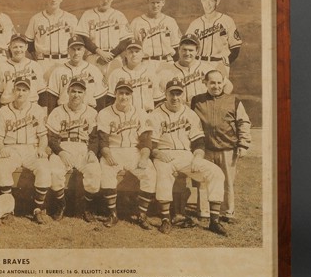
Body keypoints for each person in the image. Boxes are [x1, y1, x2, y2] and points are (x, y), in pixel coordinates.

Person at [150, 78, 228, 236]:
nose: (175, 97)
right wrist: (157, 153)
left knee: (216, 173)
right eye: (172, 93)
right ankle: (165, 219)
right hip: (164, 153)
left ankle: (214, 221)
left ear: (183, 94)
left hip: (186, 155)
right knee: (163, 173)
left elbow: (199, 141)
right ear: (165, 94)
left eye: (178, 93)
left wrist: (198, 157)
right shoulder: (155, 114)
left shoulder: (190, 114)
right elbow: (151, 144)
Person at [191, 70, 252, 223]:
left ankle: (228, 212)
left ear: (224, 82)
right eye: (212, 82)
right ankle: (204, 211)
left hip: (227, 147)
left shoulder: (233, 100)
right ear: (205, 83)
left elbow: (243, 122)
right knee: (204, 179)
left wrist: (243, 144)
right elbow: (189, 121)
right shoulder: (197, 101)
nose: (216, 86)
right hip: (205, 148)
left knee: (227, 181)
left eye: (219, 82)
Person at [96, 79, 157, 228]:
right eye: (121, 93)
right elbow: (102, 139)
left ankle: (142, 215)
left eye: (127, 93)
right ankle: (113, 214)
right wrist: (106, 153)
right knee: (106, 170)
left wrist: (144, 157)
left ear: (131, 95)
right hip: (113, 149)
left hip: (133, 151)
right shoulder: (104, 113)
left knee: (149, 172)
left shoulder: (140, 113)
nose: (124, 97)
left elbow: (146, 140)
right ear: (115, 94)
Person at [0, 77, 51, 224]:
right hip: (11, 148)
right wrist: (1, 149)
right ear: (13, 91)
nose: (20, 93)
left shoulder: (37, 110)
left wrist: (41, 148)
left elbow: (43, 136)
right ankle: (8, 210)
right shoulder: (3, 111)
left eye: (24, 90)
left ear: (29, 92)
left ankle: (38, 209)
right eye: (18, 89)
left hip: (32, 148)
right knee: (2, 166)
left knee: (44, 167)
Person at [46, 78, 101, 222]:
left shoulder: (92, 113)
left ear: (84, 94)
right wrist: (60, 152)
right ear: (68, 92)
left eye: (80, 92)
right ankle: (61, 204)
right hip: (63, 147)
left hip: (84, 147)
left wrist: (92, 152)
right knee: (53, 171)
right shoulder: (57, 111)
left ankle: (87, 207)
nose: (76, 95)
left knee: (94, 172)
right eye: (73, 91)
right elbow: (51, 138)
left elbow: (95, 138)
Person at [25, 0, 78, 80]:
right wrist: (37, 58)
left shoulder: (71, 18)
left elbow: (77, 41)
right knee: (44, 92)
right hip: (43, 61)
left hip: (65, 60)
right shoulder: (36, 19)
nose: (53, 0)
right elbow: (29, 42)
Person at [186, 0, 242, 77]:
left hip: (219, 64)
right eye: (205, 0)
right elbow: (186, 46)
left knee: (218, 90)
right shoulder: (195, 24)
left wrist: (226, 63)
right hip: (198, 64)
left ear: (217, 2)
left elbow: (236, 47)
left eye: (211, 1)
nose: (207, 4)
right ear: (201, 1)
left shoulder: (227, 20)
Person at [76, 0, 131, 76]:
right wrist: (99, 51)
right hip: (93, 56)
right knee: (92, 86)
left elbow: (126, 40)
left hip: (114, 56)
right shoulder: (88, 15)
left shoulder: (119, 15)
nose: (105, 0)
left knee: (115, 86)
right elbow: (83, 37)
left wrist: (111, 55)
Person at [0, 33, 46, 118]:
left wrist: (44, 114)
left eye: (21, 46)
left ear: (26, 47)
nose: (18, 50)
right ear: (10, 48)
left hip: (32, 108)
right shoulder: (1, 67)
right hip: (7, 109)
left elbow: (42, 93)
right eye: (15, 47)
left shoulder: (35, 66)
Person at [45, 34, 106, 112]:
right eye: (73, 49)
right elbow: (52, 100)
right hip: (64, 112)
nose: (76, 52)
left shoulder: (94, 70)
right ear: (68, 51)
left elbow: (100, 99)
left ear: (84, 50)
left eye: (79, 49)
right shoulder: (58, 71)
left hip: (88, 112)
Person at [129, 0, 181, 71]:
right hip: (145, 63)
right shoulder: (136, 22)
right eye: (152, 3)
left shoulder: (170, 21)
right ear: (147, 3)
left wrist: (178, 67)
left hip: (167, 62)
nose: (155, 5)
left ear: (163, 3)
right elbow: (131, 48)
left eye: (158, 2)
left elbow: (176, 47)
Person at [105, 38, 163, 113]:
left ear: (143, 54)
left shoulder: (150, 73)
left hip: (148, 114)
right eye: (130, 52)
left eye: (137, 51)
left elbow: (158, 99)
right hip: (125, 117)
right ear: (125, 54)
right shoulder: (116, 74)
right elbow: (110, 101)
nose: (134, 54)